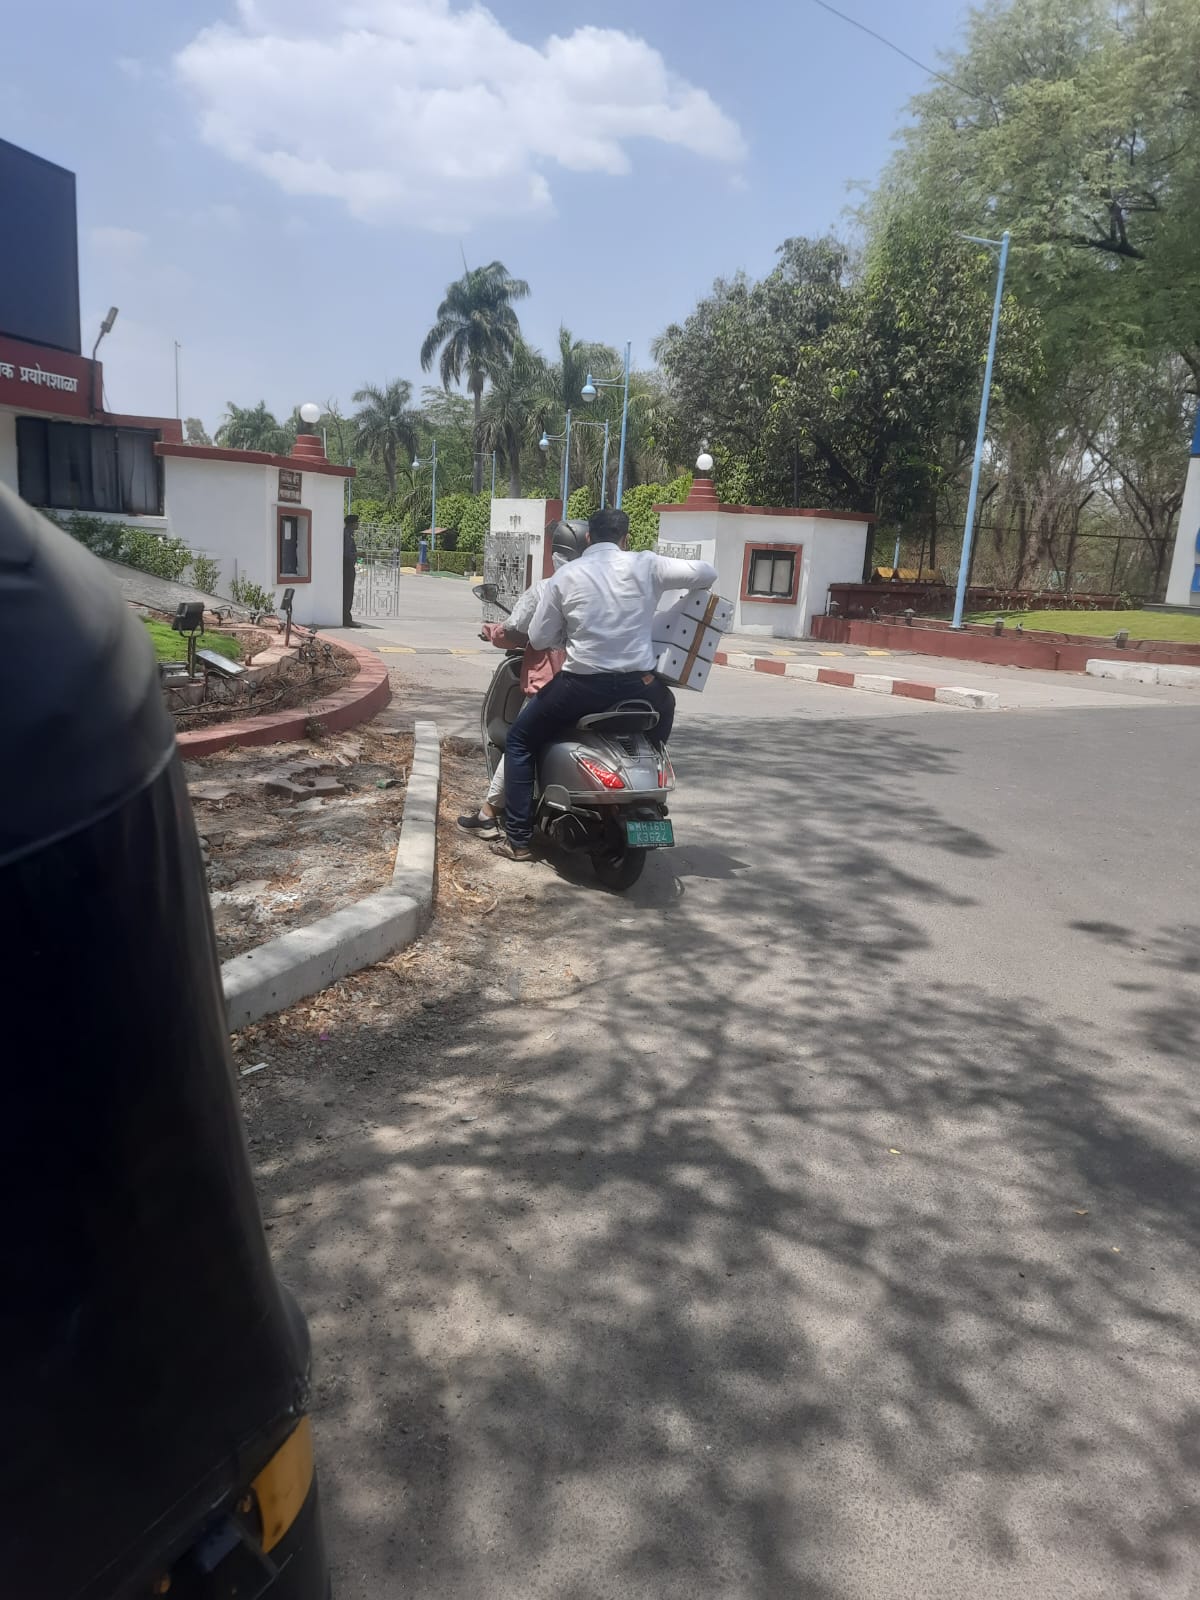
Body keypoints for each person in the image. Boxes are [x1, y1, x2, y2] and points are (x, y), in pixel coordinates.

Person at [493, 507, 718, 862]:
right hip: (642, 687)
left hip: (581, 688)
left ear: (587, 538)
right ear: (625, 537)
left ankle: (519, 839)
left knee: (520, 739)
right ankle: (644, 780)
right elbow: (708, 572)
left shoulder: (567, 577)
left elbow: (538, 635)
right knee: (666, 706)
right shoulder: (646, 564)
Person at [457, 521, 585, 841]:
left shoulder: (546, 588)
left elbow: (515, 628)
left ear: (555, 553)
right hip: (595, 686)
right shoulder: (602, 590)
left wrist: (492, 632)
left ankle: (492, 817)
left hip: (551, 687)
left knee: (519, 742)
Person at [342, 513, 360, 627]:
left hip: (348, 566)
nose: (358, 524)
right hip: (347, 566)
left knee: (348, 593)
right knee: (347, 593)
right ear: (352, 524)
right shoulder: (347, 535)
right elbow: (347, 553)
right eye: (357, 522)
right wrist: (358, 554)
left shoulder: (349, 534)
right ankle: (346, 619)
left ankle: (346, 617)